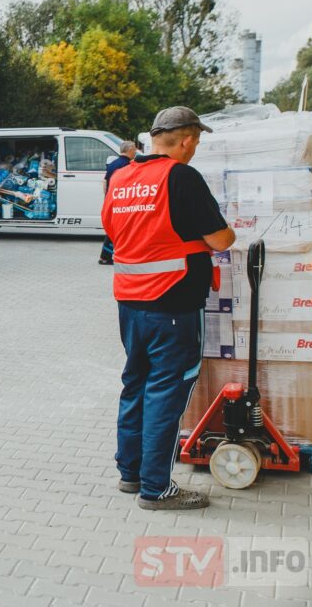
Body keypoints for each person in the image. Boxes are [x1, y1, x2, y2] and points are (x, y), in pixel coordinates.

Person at [101, 106, 234, 510]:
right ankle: (156, 488)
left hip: (130, 300)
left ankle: (132, 473)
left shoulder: (121, 177)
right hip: (173, 302)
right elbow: (221, 239)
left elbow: (112, 230)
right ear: (188, 139)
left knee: (136, 382)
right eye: (197, 142)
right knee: (165, 390)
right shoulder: (181, 177)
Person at [99, 140, 138, 265]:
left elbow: (105, 182)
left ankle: (105, 256)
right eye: (135, 150)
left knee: (112, 231)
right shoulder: (128, 166)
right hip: (123, 203)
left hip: (111, 202)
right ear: (130, 150)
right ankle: (109, 257)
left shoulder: (112, 164)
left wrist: (107, 198)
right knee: (124, 230)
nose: (136, 152)